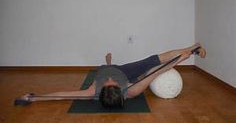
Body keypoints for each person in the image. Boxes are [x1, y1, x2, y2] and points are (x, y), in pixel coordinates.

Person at [19, 43, 206, 108]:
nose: (110, 81)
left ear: (100, 90)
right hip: (126, 74)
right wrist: (180, 59)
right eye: (112, 84)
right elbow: (157, 72)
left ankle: (192, 46)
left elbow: (62, 95)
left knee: (112, 67)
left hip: (113, 69)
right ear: (121, 89)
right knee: (151, 66)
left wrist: (35, 98)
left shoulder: (92, 91)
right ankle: (193, 49)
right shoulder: (131, 91)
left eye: (108, 83)